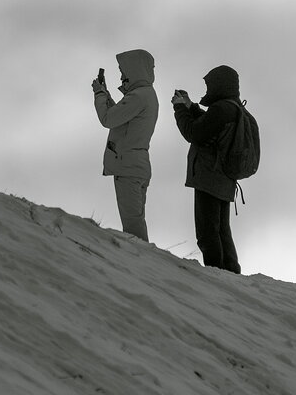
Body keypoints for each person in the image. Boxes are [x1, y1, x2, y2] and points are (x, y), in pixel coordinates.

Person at [172, 64, 242, 273]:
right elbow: (209, 124)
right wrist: (191, 105)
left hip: (210, 176)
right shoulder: (233, 107)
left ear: (219, 85)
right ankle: (231, 274)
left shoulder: (221, 109)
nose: (208, 89)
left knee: (207, 232)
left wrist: (179, 108)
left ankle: (216, 275)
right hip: (224, 177)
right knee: (221, 230)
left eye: (210, 84)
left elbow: (194, 133)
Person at [91, 49, 158, 242]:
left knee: (133, 228)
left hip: (128, 167)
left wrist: (99, 94)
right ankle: (144, 264)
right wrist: (106, 94)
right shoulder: (145, 95)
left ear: (134, 69)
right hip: (137, 165)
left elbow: (108, 119)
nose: (122, 76)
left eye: (124, 71)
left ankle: (142, 265)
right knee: (136, 221)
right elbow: (121, 117)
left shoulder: (138, 96)